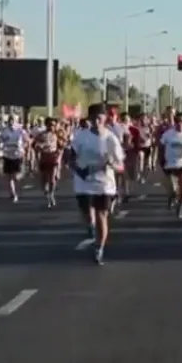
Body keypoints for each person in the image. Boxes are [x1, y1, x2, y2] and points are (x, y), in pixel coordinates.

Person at [69, 103, 125, 265]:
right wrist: (79, 171)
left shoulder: (111, 138)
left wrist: (111, 165)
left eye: (99, 117)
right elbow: (70, 159)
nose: (96, 121)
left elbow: (121, 166)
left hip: (104, 184)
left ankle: (99, 248)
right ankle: (90, 226)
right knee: (87, 213)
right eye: (93, 118)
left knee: (102, 216)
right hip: (84, 182)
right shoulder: (81, 136)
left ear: (105, 118)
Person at [0, 116, 28, 202]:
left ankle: (21, 174)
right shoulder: (4, 131)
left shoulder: (20, 131)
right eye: (10, 120)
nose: (11, 122)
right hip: (7, 155)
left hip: (17, 155)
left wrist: (23, 147)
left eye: (13, 120)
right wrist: (0, 146)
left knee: (16, 177)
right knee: (9, 176)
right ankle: (13, 194)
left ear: (16, 121)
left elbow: (27, 141)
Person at [33, 118, 62, 207]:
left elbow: (61, 148)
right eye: (50, 125)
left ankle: (52, 194)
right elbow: (34, 145)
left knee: (52, 180)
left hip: (53, 158)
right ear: (47, 125)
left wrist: (59, 164)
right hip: (44, 157)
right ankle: (46, 193)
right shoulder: (41, 135)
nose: (51, 127)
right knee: (44, 180)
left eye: (53, 125)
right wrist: (39, 147)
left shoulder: (57, 135)